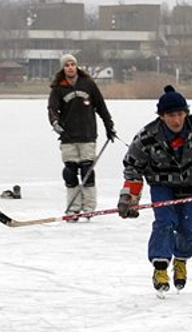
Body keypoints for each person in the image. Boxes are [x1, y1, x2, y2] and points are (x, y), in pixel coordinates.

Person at [117, 85, 192, 295]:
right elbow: (132, 165)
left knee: (186, 228)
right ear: (162, 116)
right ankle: (160, 268)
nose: (176, 120)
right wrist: (129, 198)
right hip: (162, 185)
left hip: (190, 185)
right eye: (171, 115)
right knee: (165, 222)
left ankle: (181, 259)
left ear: (186, 113)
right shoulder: (146, 137)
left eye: (180, 114)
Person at [47, 53, 116, 220]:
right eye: (66, 65)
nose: (70, 67)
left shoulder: (88, 84)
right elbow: (52, 109)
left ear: (76, 66)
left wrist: (109, 126)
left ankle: (89, 207)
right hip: (68, 137)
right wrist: (55, 124)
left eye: (72, 64)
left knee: (87, 171)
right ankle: (73, 208)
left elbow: (101, 106)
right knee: (70, 172)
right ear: (63, 68)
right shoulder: (58, 88)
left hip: (87, 134)